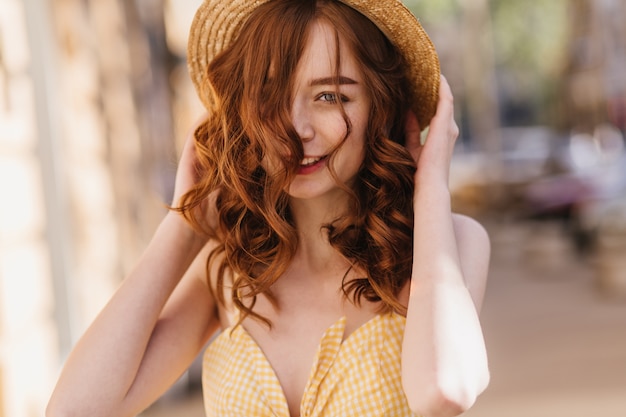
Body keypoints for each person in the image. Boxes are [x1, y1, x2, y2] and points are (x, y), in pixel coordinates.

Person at [47, 0, 490, 416]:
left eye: (329, 96)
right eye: (270, 95)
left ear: (381, 107)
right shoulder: (228, 269)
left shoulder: (447, 246)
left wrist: (430, 187)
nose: (295, 131)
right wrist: (185, 225)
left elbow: (443, 390)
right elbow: (75, 409)